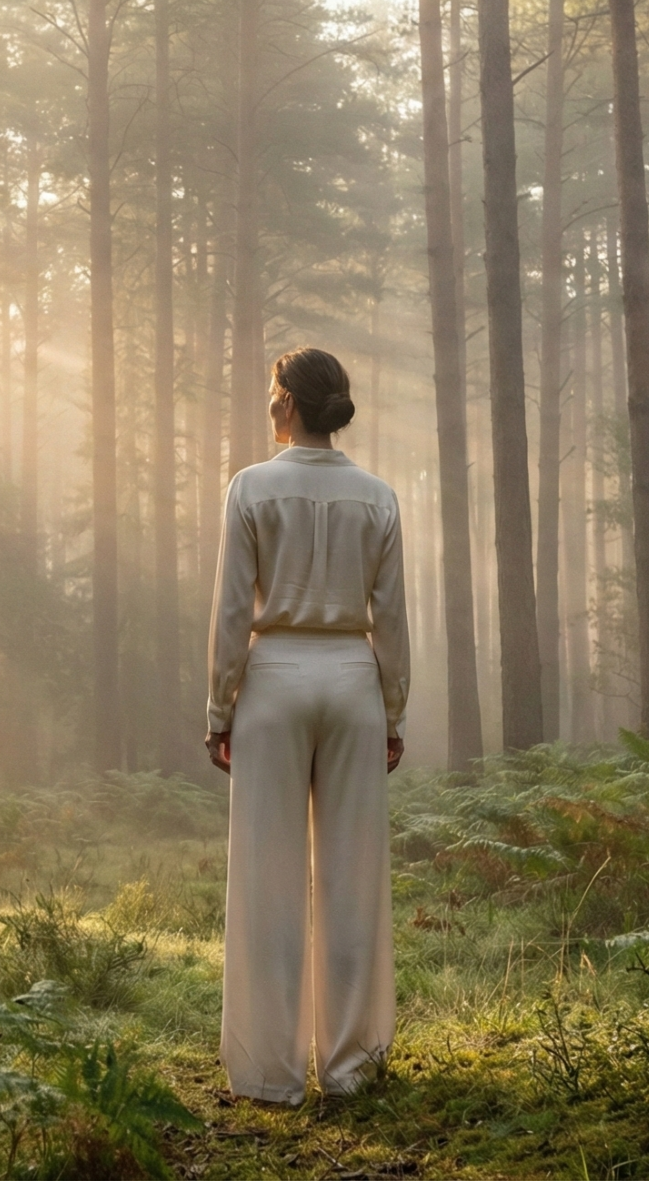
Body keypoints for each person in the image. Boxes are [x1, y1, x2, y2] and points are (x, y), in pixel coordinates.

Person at [204, 347, 409, 1104]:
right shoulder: (378, 496)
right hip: (353, 679)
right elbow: (391, 617)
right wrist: (393, 709)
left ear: (288, 403)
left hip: (274, 679)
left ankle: (270, 1072)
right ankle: (354, 1066)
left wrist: (219, 707)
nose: (267, 403)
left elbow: (232, 611)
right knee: (355, 877)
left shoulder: (251, 488)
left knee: (268, 876)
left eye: (270, 392)